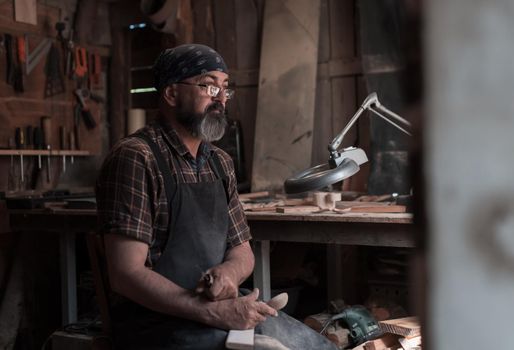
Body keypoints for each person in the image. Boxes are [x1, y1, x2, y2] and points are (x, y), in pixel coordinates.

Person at [96, 44, 337, 350]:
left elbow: (243, 251)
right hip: (156, 323)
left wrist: (228, 273)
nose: (221, 99)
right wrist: (211, 312)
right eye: (209, 86)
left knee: (316, 346)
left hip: (213, 310)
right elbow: (125, 274)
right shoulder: (136, 157)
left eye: (225, 88)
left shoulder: (219, 162)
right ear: (171, 94)